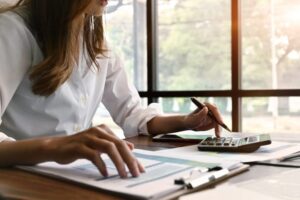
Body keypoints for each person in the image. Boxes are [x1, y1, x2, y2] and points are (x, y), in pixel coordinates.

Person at [0, 0, 224, 178]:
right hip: (22, 179)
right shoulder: (11, 30)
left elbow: (132, 113)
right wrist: (56, 147)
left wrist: (185, 121)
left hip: (78, 176)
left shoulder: (95, 41)